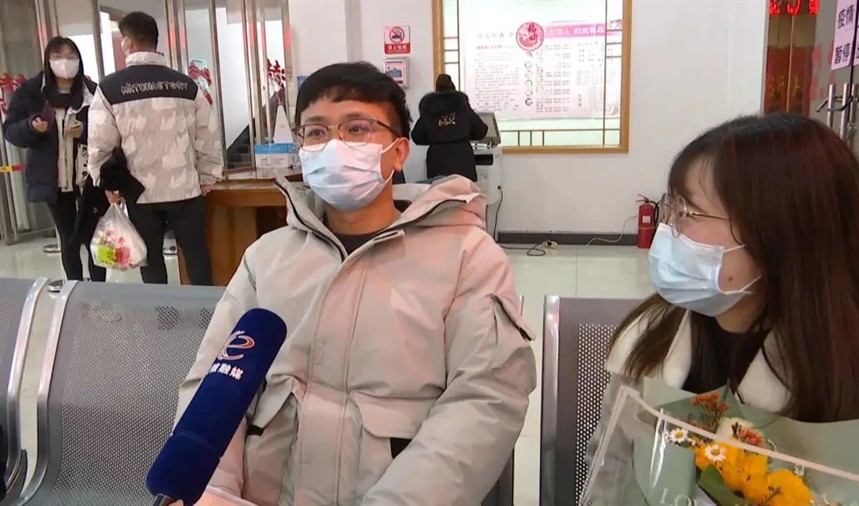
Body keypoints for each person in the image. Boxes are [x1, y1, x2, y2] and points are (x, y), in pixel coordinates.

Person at [175, 62, 536, 505]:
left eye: (357, 128)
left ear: (399, 153)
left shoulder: (467, 257)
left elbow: (485, 398)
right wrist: (208, 488)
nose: (334, 146)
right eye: (316, 132)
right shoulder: (267, 258)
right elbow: (218, 378)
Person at [584, 114, 859, 503]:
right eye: (672, 207)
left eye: (689, 213)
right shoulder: (654, 336)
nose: (668, 229)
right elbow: (610, 472)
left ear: (779, 235)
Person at [87, 11, 222, 286]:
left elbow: (100, 142)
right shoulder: (185, 85)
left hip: (139, 192)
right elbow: (207, 132)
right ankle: (206, 308)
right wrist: (209, 175)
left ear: (128, 43)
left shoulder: (110, 88)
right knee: (196, 252)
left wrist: (106, 183)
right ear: (155, 41)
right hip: (185, 189)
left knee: (150, 260)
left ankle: (161, 309)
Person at [3, 37, 107, 288]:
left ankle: (99, 290)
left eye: (71, 56)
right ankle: (74, 289)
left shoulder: (91, 92)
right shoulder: (31, 92)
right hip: (54, 180)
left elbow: (108, 131)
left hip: (89, 179)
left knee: (94, 237)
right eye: (58, 56)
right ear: (48, 60)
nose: (65, 62)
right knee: (68, 237)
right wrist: (32, 127)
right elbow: (11, 131)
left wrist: (84, 132)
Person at [411, 74, 488, 182]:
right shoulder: (462, 106)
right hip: (463, 160)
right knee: (464, 192)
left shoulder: (430, 108)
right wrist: (463, 134)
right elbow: (481, 131)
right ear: (453, 86)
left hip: (437, 162)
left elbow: (417, 136)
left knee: (440, 191)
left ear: (436, 89)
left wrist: (434, 138)